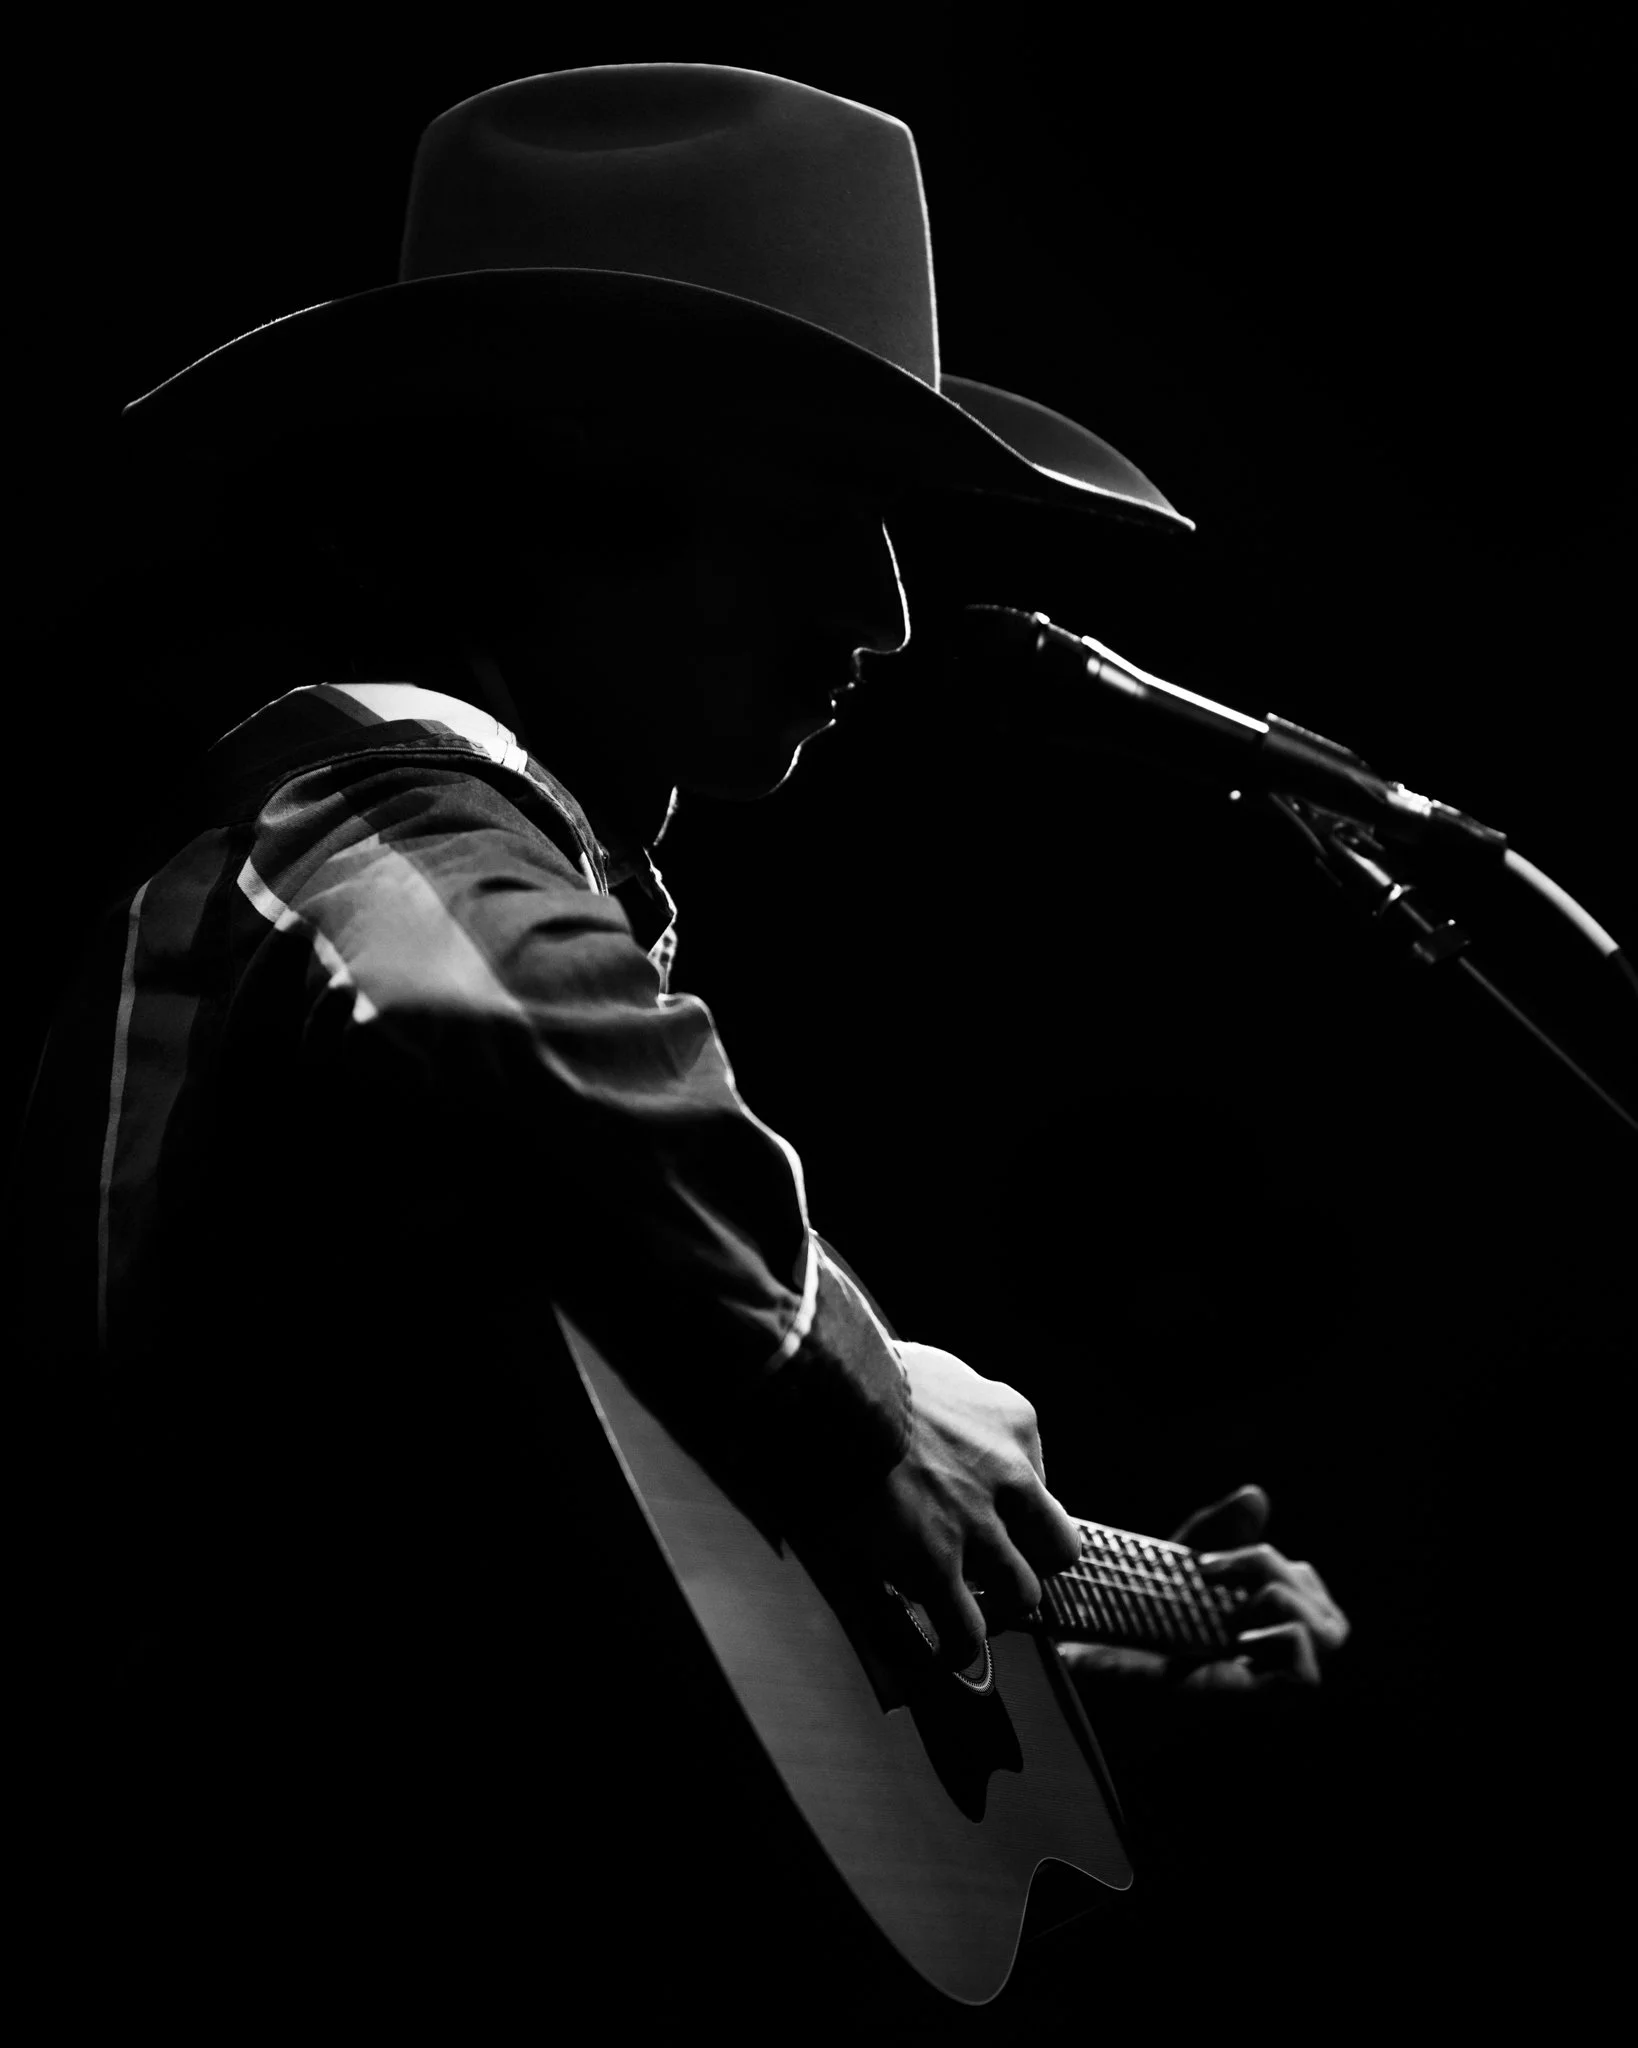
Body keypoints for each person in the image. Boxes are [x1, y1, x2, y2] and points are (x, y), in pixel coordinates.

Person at [10, 64, 1347, 2027]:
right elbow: (441, 946)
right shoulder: (372, 824)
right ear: (565, 477)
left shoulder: (572, 1140)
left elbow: (544, 1628)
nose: (887, 616)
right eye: (830, 510)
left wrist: (1062, 1618)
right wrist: (851, 1403)